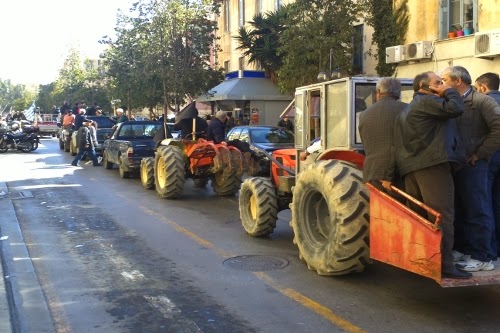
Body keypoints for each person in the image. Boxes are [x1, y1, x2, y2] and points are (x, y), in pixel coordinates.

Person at [394, 71, 469, 279]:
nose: (442, 85)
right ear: (424, 87)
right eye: (438, 83)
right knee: (442, 216)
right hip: (432, 166)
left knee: (422, 219)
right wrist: (450, 91)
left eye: (443, 82)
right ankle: (445, 264)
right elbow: (456, 108)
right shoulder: (426, 102)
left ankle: (425, 261)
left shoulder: (407, 110)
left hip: (412, 167)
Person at [442, 66, 500, 272]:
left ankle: (482, 255)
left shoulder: (482, 101)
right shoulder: (451, 103)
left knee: (478, 209)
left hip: (474, 164)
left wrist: (481, 153)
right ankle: (466, 249)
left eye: (444, 79)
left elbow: (498, 129)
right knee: (461, 208)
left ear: (458, 81)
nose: (442, 83)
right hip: (458, 164)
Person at [358, 77, 408, 191]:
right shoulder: (407, 109)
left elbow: (365, 143)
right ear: (399, 93)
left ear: (379, 92)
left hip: (373, 172)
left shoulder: (364, 114)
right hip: (400, 173)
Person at [475, 72, 500, 258]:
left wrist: (479, 154)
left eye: (477, 89)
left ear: (483, 87)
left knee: (486, 204)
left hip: (490, 159)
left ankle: (489, 249)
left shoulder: (483, 104)